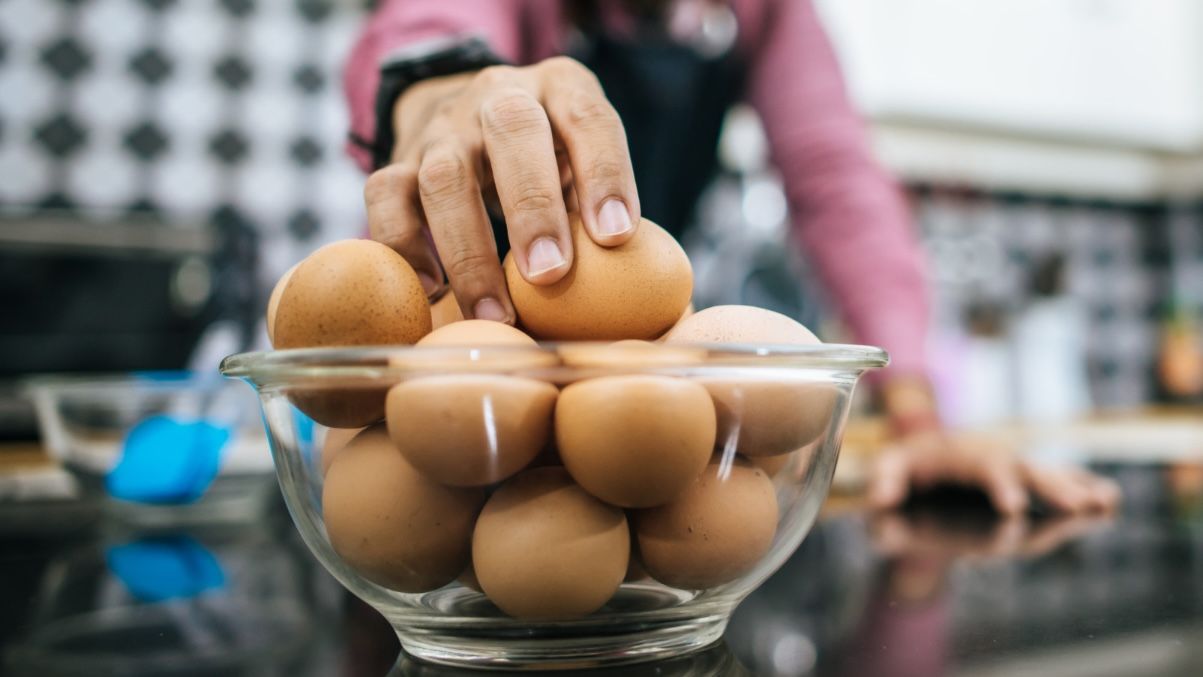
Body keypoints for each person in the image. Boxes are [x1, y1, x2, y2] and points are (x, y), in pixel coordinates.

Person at [342, 0, 1119, 514]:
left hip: (631, 371)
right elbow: (428, 33)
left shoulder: (763, 12)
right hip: (466, 359)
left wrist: (917, 415)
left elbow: (837, 182)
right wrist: (433, 98)